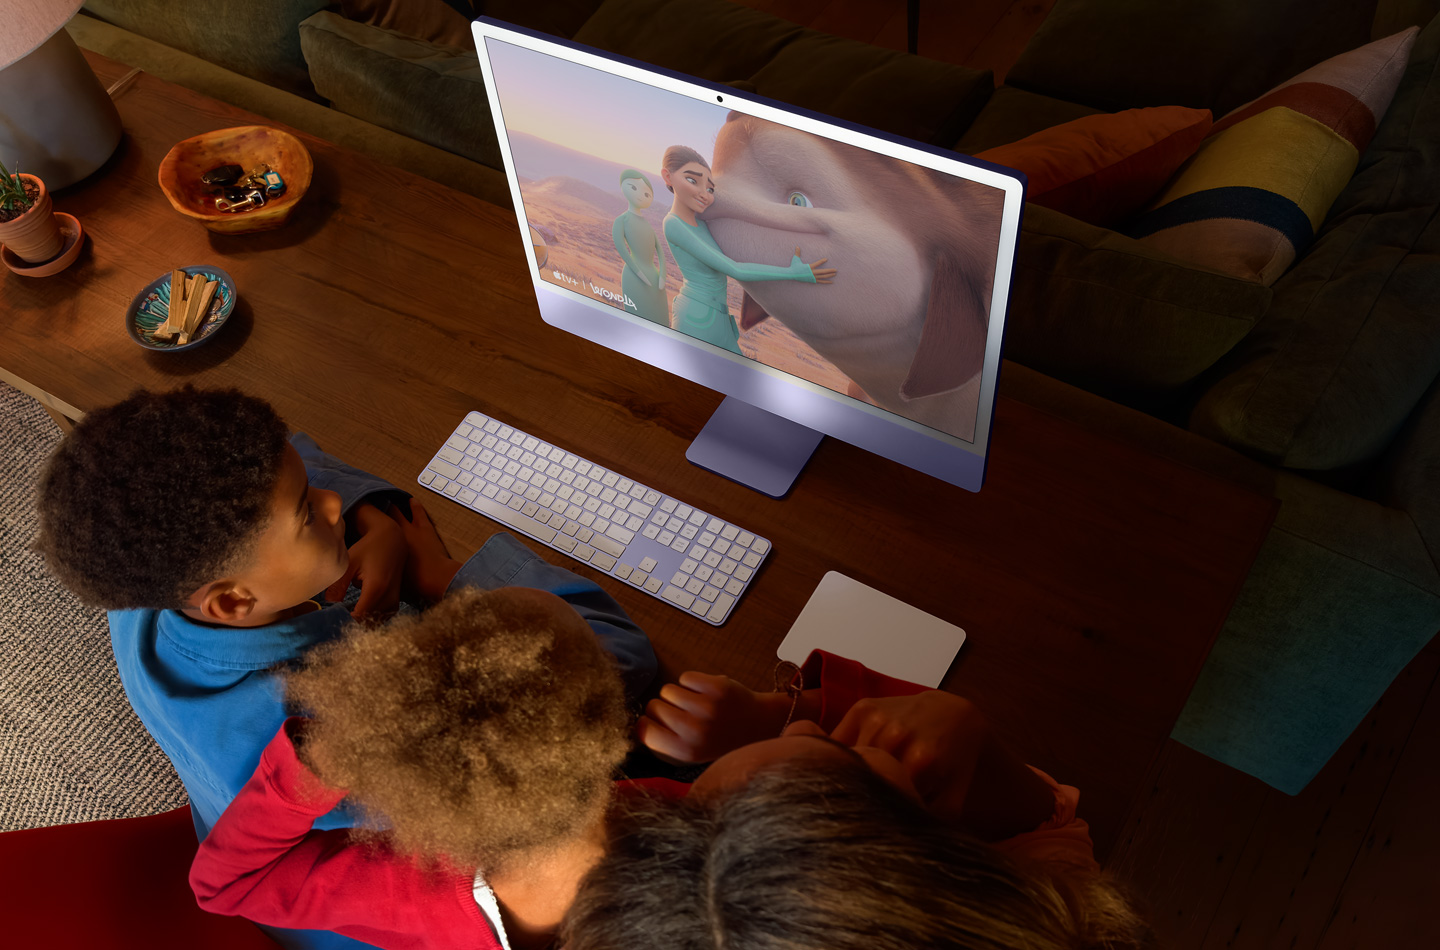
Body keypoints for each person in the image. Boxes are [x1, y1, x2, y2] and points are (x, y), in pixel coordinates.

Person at [34, 386, 656, 950]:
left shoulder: (145, 596)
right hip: (357, 907)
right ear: (232, 601)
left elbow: (295, 451)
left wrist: (371, 520)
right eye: (310, 513)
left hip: (251, 851)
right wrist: (440, 572)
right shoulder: (351, 731)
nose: (331, 502)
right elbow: (612, 668)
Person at [563, 652, 1158, 950]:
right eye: (852, 763)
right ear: (955, 871)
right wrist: (966, 729)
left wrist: (781, 715)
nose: (797, 733)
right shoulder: (1060, 925)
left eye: (698, 807)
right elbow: (1055, 842)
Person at [189, 583, 649, 950]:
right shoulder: (686, 821)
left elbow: (223, 887)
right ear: (610, 722)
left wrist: (318, 764)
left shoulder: (402, 891)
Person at [660, 145, 835, 354]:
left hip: (719, 318)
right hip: (696, 316)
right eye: (692, 180)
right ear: (668, 177)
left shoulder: (703, 222)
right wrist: (792, 272)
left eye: (709, 189)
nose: (704, 194)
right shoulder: (673, 224)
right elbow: (736, 269)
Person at [611, 169, 668, 325]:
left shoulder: (647, 225)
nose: (640, 195)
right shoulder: (621, 220)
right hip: (634, 276)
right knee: (637, 320)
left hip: (655, 279)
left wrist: (662, 276)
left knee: (660, 320)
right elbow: (622, 248)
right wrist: (638, 272)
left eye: (646, 194)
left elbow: (660, 253)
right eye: (633, 188)